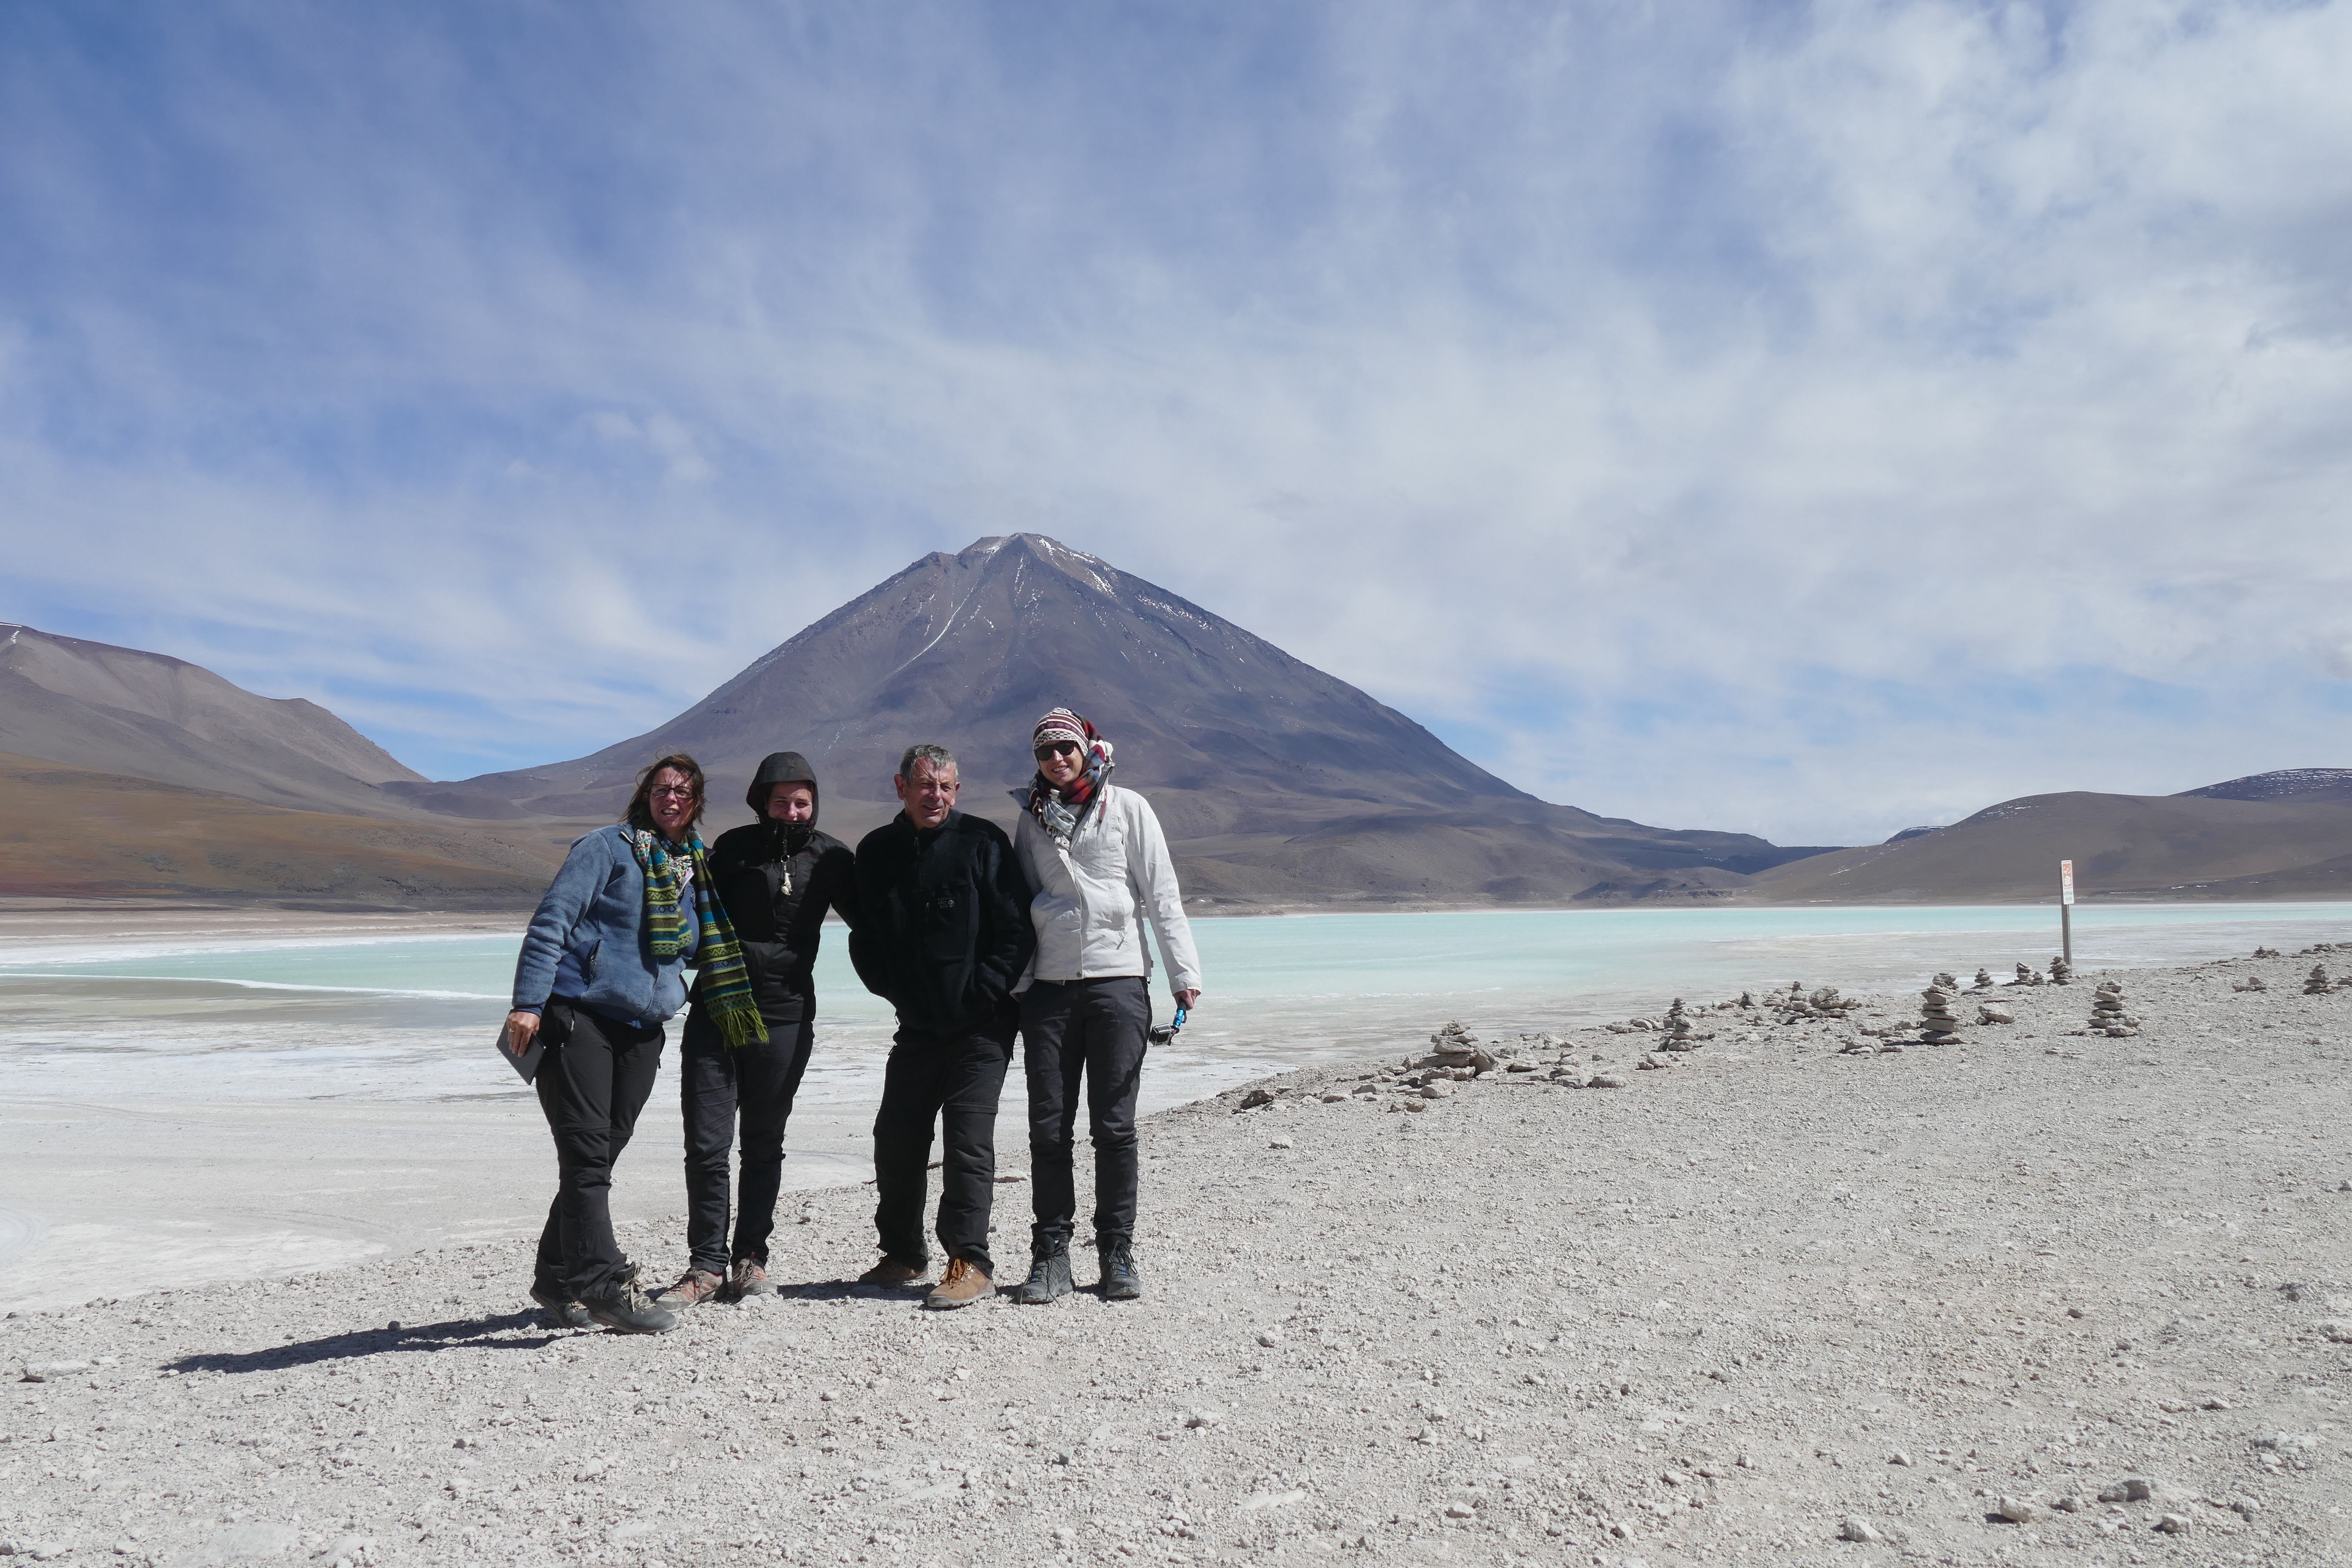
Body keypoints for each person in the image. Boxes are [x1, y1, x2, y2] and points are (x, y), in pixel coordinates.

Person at [505, 753, 768, 1334]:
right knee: (587, 1158)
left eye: (683, 791)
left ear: (696, 804)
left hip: (644, 1030)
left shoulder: (690, 865)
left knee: (598, 1156)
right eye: (661, 787)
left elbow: (693, 947)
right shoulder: (606, 848)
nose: (671, 797)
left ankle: (555, 1277)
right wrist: (528, 1001)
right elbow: (552, 921)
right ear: (644, 794)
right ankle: (603, 1285)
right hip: (581, 1017)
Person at [1008, 707, 1202, 1305]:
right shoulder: (1031, 821)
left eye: (1065, 748)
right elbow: (1020, 906)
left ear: (1086, 748)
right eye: (1045, 752)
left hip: (1118, 982)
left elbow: (1160, 893)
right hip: (1050, 990)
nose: (1057, 759)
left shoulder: (1129, 808)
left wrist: (1182, 973)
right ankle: (1052, 1256)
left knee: (1114, 1128)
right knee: (1048, 1129)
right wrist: (1014, 986)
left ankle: (1118, 1252)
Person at [655, 752, 858, 1310]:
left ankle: (751, 1261)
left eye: (802, 802)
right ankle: (705, 1267)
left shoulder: (833, 857)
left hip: (786, 1016)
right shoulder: (731, 851)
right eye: (780, 801)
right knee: (707, 1145)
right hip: (717, 1011)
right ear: (760, 801)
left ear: (814, 804)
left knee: (764, 1144)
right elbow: (685, 915)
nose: (791, 811)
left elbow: (875, 923)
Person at [847, 743, 1035, 1309]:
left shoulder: (982, 842)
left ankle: (969, 1261)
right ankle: (904, 1252)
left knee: (967, 1142)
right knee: (896, 1138)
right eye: (925, 785)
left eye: (946, 787)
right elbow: (865, 938)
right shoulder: (877, 851)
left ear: (958, 791)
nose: (936, 795)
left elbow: (1016, 931)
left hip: (982, 1026)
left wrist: (985, 990)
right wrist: (894, 990)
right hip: (917, 1027)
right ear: (900, 786)